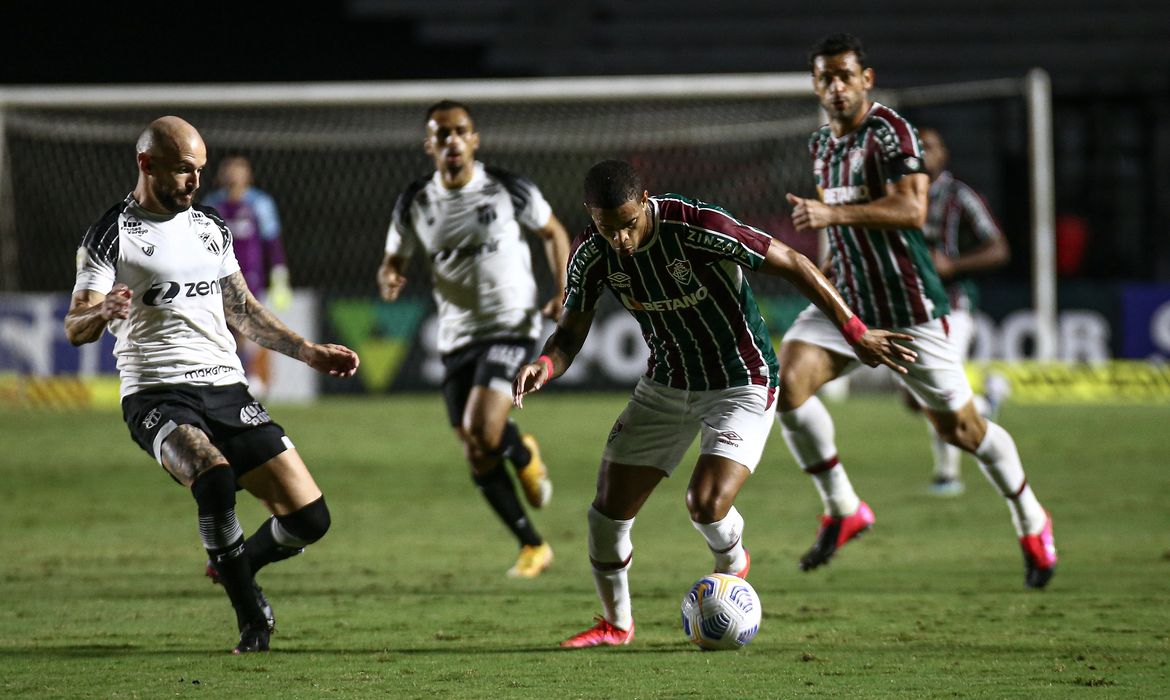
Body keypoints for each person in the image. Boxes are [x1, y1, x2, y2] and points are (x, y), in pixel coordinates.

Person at [512, 159, 915, 648]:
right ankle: (616, 625)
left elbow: (793, 262)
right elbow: (571, 333)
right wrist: (545, 365)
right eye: (606, 226)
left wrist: (856, 332)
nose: (619, 238)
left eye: (627, 224)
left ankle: (733, 563)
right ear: (590, 215)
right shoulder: (591, 255)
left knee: (704, 504)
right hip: (666, 385)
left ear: (645, 202)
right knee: (605, 517)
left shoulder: (697, 226)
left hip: (741, 382)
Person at [64, 116, 360, 653]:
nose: (195, 182)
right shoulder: (112, 234)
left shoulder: (210, 227)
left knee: (310, 519)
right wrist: (101, 309)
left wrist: (308, 352)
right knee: (214, 479)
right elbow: (75, 325)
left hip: (226, 388)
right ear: (146, 164)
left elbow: (242, 310)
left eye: (199, 170)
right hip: (156, 393)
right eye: (183, 170)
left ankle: (237, 566)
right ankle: (252, 619)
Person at [778, 34, 1057, 588]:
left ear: (866, 79)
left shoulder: (890, 132)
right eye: (825, 77)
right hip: (852, 297)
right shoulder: (821, 147)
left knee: (962, 428)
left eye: (844, 75)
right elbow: (841, 224)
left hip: (909, 307)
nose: (835, 86)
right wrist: (829, 269)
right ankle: (844, 507)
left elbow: (911, 208)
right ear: (815, 84)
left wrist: (832, 220)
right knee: (785, 384)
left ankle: (1031, 518)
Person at [376, 100, 570, 579]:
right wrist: (390, 277)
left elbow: (554, 232)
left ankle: (523, 454)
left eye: (461, 131)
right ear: (430, 145)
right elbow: (394, 259)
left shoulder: (508, 188)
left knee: (484, 428)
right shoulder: (415, 202)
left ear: (475, 140)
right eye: (442, 134)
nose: (452, 141)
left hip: (513, 324)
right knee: (475, 450)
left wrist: (563, 289)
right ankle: (533, 545)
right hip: (457, 336)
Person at [914, 126, 1012, 495]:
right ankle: (987, 402)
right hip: (908, 310)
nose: (923, 152)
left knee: (937, 391)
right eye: (917, 146)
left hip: (952, 307)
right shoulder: (895, 194)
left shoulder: (960, 197)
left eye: (931, 146)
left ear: (945, 155)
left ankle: (947, 475)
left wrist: (953, 265)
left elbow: (999, 248)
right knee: (915, 396)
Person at [201, 154, 291, 399]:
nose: (233, 175)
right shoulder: (212, 204)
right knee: (221, 326)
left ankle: (251, 375)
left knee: (245, 323)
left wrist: (280, 275)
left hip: (249, 274)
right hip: (214, 276)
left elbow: (272, 241)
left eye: (238, 170)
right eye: (229, 170)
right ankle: (227, 376)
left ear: (248, 175)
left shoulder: (260, 203)